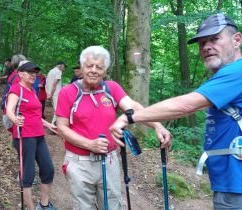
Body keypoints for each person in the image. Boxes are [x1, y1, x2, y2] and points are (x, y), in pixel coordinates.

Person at [110, 13, 242, 209]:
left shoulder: (236, 73)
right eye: (202, 42)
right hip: (229, 183)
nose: (206, 47)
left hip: (235, 187)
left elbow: (187, 105)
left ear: (237, 39)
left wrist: (130, 116)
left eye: (214, 39)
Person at [56, 46, 171, 210]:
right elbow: (62, 128)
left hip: (109, 160)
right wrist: (89, 144)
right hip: (78, 163)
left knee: (112, 206)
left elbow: (132, 107)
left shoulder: (111, 88)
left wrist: (157, 125)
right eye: (89, 66)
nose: (94, 70)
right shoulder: (67, 92)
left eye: (99, 67)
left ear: (105, 70)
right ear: (81, 67)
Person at [6, 60, 57, 210]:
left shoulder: (32, 91)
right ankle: (30, 207)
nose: (33, 75)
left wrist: (50, 125)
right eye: (30, 72)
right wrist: (15, 119)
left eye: (35, 72)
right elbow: (10, 109)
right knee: (28, 174)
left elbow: (36, 115)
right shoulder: (17, 90)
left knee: (48, 169)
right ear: (20, 74)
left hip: (39, 136)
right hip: (24, 136)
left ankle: (44, 204)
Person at [46, 61, 66, 125]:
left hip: (50, 93)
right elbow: (54, 84)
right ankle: (53, 125)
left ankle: (54, 124)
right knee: (58, 110)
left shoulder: (50, 71)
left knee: (56, 109)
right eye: (64, 66)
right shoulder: (58, 72)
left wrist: (48, 94)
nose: (64, 68)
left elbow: (46, 85)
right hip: (55, 93)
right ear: (61, 65)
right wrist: (51, 94)